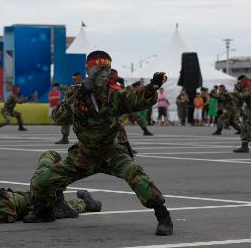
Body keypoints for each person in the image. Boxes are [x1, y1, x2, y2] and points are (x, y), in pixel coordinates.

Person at [23, 51, 173, 236]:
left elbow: (137, 100)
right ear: (88, 70)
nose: (102, 74)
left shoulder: (115, 95)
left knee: (137, 176)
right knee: (42, 182)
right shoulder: (75, 92)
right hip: (84, 155)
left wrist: (152, 86)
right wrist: (80, 93)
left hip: (111, 153)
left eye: (106, 70)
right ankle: (45, 211)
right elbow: (58, 117)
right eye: (98, 70)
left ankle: (163, 215)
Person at [55, 73, 83, 144]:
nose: (74, 80)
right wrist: (60, 86)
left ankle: (84, 140)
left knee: (81, 124)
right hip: (71, 108)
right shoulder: (73, 86)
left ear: (80, 78)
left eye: (75, 79)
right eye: (73, 79)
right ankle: (65, 138)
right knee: (65, 121)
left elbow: (71, 91)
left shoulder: (83, 86)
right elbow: (68, 90)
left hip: (80, 108)